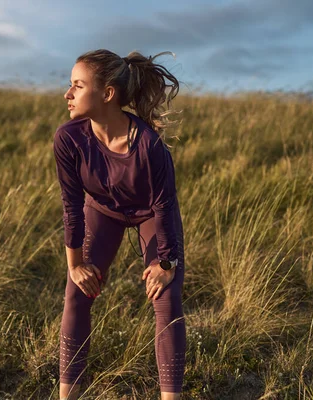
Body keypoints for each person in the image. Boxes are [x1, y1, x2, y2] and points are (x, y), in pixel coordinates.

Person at [54, 49, 186, 400]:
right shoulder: (68, 138)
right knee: (76, 291)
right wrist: (76, 266)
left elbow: (165, 208)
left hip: (150, 217)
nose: (67, 94)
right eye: (70, 86)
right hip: (102, 213)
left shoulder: (149, 144)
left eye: (78, 86)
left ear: (107, 94)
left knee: (166, 296)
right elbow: (72, 207)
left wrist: (166, 263)